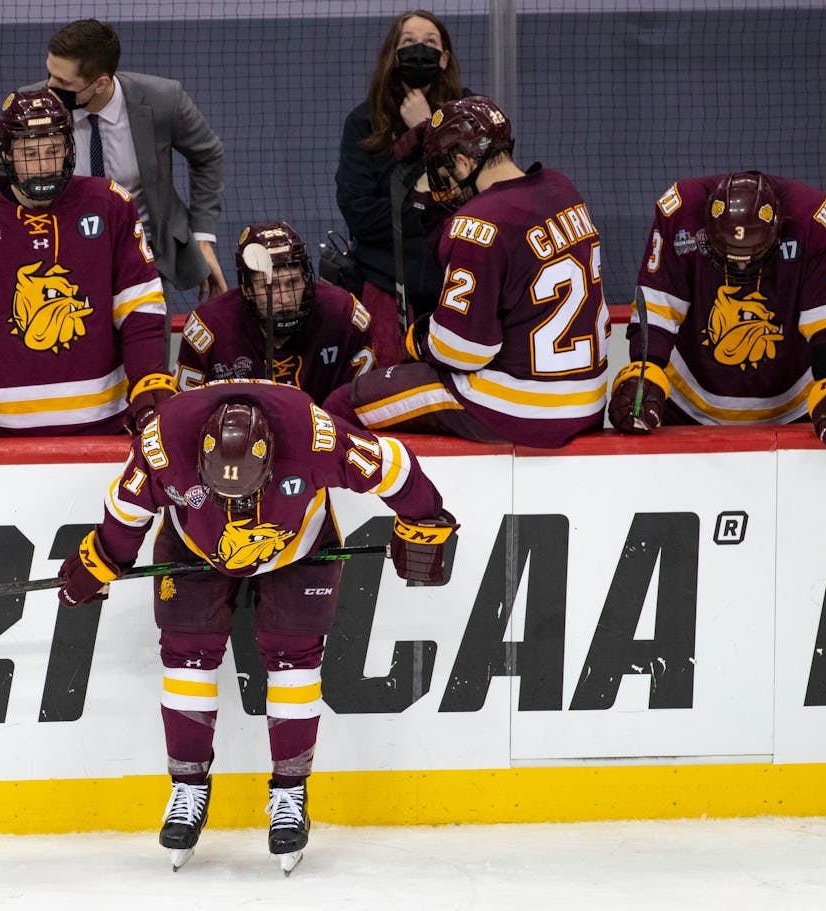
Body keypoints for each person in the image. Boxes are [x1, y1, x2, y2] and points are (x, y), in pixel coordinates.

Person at [54, 379, 455, 872]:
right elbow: (126, 508)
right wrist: (102, 558)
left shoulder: (313, 436)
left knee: (294, 661)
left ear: (270, 462)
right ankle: (187, 786)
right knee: (187, 657)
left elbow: (395, 467)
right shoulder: (163, 442)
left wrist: (425, 520)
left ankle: (290, 793)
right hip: (194, 547)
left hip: (299, 548)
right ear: (198, 458)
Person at [325, 95, 609, 448]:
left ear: (463, 160)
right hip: (589, 400)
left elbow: (464, 350)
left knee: (342, 402)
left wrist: (422, 337)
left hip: (516, 406)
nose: (447, 186)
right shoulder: (562, 189)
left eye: (447, 172)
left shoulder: (478, 221)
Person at [0, 89, 173, 441]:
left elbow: (139, 308)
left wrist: (149, 380)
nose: (44, 165)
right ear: (6, 154)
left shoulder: (111, 204)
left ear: (69, 147)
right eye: (29, 154)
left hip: (105, 428)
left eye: (53, 150)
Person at [608, 171, 826, 456]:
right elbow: (657, 306)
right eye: (729, 258)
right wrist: (645, 370)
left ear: (778, 232)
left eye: (750, 259)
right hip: (686, 405)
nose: (740, 269)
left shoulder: (815, 221)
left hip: (792, 409)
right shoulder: (680, 214)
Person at [0, 18, 227, 303]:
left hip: (144, 260)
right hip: (60, 261)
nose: (49, 87)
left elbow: (208, 156)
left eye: (62, 82)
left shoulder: (164, 101)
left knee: (146, 346)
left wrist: (203, 237)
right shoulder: (34, 108)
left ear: (100, 84)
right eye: (50, 74)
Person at [336, 10, 467, 368]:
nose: (419, 51)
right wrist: (431, 210)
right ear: (393, 54)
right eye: (409, 43)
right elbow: (360, 212)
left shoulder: (470, 115)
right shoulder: (363, 122)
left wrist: (427, 127)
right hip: (385, 284)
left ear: (444, 58)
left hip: (457, 285)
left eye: (430, 44)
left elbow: (477, 199)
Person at [175, 221, 376, 403]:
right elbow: (185, 414)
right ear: (247, 290)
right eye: (269, 287)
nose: (285, 298)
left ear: (306, 279)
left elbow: (363, 408)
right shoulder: (209, 329)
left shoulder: (344, 316)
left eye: (293, 282)